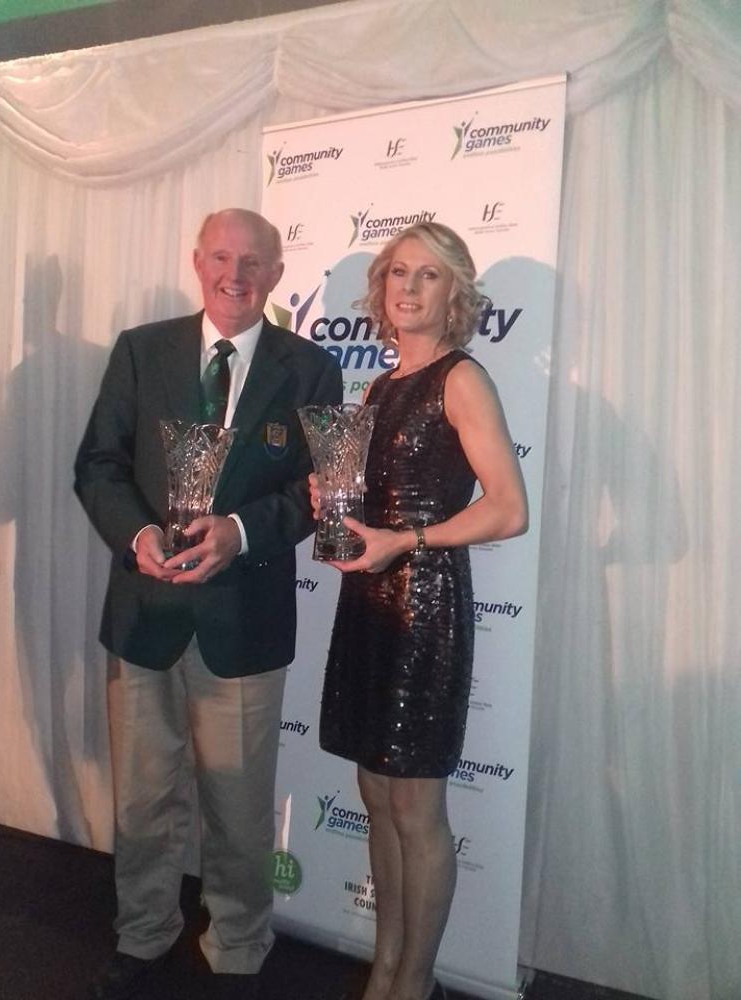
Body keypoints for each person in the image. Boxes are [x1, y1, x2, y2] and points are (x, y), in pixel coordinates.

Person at [75, 208, 343, 1000]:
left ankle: (237, 945)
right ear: (197, 262)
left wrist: (239, 532)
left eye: (253, 261)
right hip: (145, 611)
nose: (236, 274)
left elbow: (318, 494)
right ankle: (144, 932)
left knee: (239, 806)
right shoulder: (141, 350)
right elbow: (99, 464)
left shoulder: (311, 369)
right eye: (222, 257)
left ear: (277, 274)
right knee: (142, 799)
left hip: (243, 618)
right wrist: (135, 536)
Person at [312, 222, 528, 1000]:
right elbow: (377, 500)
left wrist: (406, 540)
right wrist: (332, 499)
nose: (408, 287)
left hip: (425, 604)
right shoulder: (378, 387)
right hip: (369, 602)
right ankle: (387, 965)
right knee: (376, 796)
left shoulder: (462, 379)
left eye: (428, 275)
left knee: (415, 803)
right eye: (399, 272)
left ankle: (415, 979)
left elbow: (508, 509)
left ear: (454, 294)